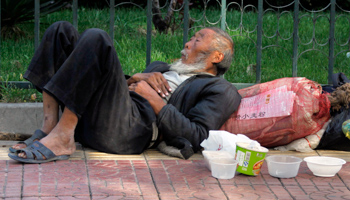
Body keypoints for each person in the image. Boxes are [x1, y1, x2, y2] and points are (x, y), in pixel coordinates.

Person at [8, 21, 241, 163]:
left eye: (198, 39)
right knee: (61, 31)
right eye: (191, 38)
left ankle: (63, 137)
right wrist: (134, 78)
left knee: (97, 37)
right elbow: (116, 90)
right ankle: (50, 127)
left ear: (217, 56)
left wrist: (152, 99)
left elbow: (199, 136)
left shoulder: (219, 88)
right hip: (106, 118)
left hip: (130, 132)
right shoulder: (161, 68)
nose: (188, 43)